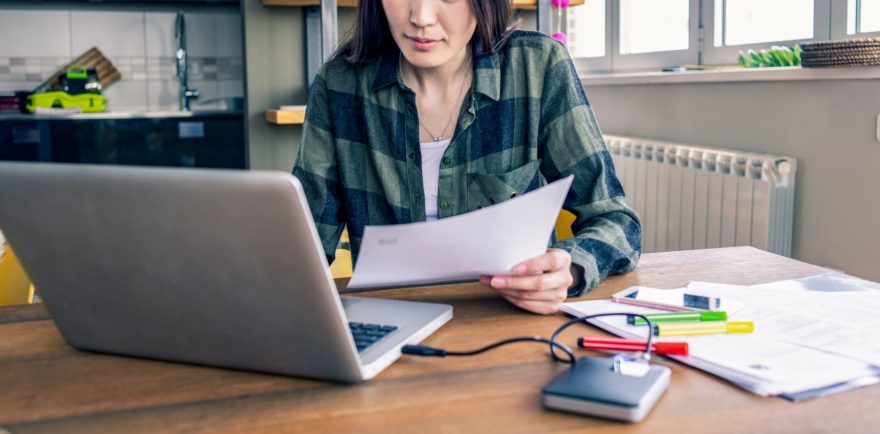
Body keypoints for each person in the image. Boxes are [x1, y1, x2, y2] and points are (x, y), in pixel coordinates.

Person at [293, 0, 641, 314]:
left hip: (509, 320)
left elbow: (617, 222)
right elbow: (304, 248)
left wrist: (570, 268)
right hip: (389, 324)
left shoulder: (537, 67)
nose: (421, 18)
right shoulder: (338, 85)